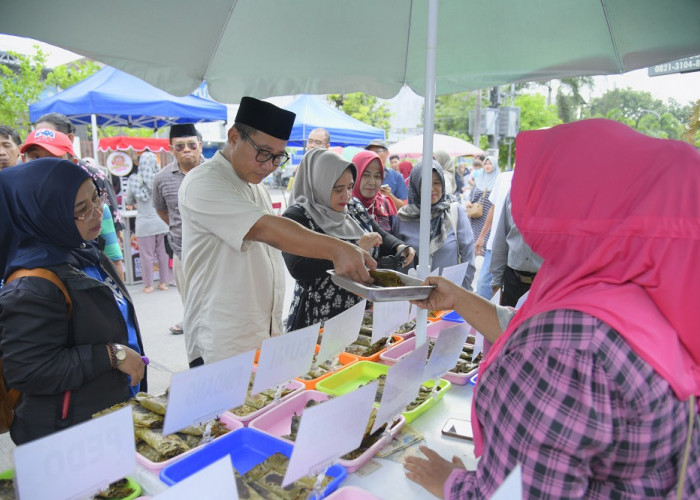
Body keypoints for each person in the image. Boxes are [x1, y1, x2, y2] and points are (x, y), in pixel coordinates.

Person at [404, 119, 700, 498]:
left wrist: (453, 484)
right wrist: (460, 298)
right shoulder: (635, 286)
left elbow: (528, 492)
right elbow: (526, 325)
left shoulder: (563, 352)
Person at [179, 97, 375, 366]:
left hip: (261, 333)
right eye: (263, 153)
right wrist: (338, 248)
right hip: (221, 340)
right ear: (234, 136)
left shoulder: (254, 184)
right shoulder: (204, 182)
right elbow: (264, 228)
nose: (270, 165)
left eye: (277, 157)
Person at [0, 158, 147, 445]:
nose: (97, 213)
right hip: (69, 433)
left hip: (107, 411)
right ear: (44, 216)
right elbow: (29, 370)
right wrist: (112, 355)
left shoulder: (84, 252)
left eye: (96, 197)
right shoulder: (32, 284)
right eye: (81, 209)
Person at [283, 149, 414, 331]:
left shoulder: (352, 206)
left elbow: (376, 233)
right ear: (319, 184)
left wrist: (399, 246)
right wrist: (352, 249)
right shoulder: (297, 216)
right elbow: (298, 267)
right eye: (337, 189)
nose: (346, 195)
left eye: (350, 187)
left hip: (356, 312)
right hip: (317, 318)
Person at [20, 129, 126, 281]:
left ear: (73, 164)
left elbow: (114, 262)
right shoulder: (15, 210)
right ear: (23, 160)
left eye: (53, 158)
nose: (42, 166)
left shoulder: (97, 209)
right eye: (35, 157)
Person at [35, 113, 124, 237]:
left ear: (69, 139)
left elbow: (111, 225)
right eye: (36, 136)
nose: (41, 140)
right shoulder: (31, 177)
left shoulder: (91, 175)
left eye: (48, 135)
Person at [152, 123, 205, 335]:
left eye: (191, 145)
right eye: (180, 146)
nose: (186, 150)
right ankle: (196, 346)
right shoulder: (162, 178)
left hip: (215, 251)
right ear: (171, 149)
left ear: (200, 145)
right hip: (182, 251)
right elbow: (162, 210)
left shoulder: (216, 173)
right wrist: (179, 227)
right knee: (190, 302)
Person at [392, 160, 475, 290]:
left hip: (449, 297)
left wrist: (463, 294)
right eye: (425, 183)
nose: (432, 188)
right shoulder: (403, 217)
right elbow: (396, 259)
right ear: (415, 185)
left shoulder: (454, 212)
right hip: (413, 298)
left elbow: (468, 256)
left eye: (436, 182)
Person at [126, 151, 173, 293]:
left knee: (146, 255)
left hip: (144, 223)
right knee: (163, 254)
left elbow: (129, 200)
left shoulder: (134, 179)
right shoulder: (160, 179)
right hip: (162, 222)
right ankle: (164, 282)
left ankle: (148, 285)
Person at [489, 188, 543, 307]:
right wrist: (496, 283)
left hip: (545, 283)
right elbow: (501, 238)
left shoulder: (562, 198)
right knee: (508, 324)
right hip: (513, 282)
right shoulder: (514, 193)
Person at [474, 167, 513, 299]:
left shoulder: (534, 180)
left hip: (517, 248)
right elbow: (493, 207)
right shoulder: (503, 178)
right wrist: (481, 237)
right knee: (483, 286)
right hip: (494, 245)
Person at [351, 150, 398, 232]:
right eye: (366, 175)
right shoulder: (343, 206)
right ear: (354, 175)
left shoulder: (384, 204)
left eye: (377, 176)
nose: (372, 182)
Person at [365, 139, 407, 209]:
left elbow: (403, 206)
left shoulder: (396, 177)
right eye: (370, 152)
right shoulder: (363, 176)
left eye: (377, 151)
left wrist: (388, 195)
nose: (373, 155)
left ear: (387, 153)